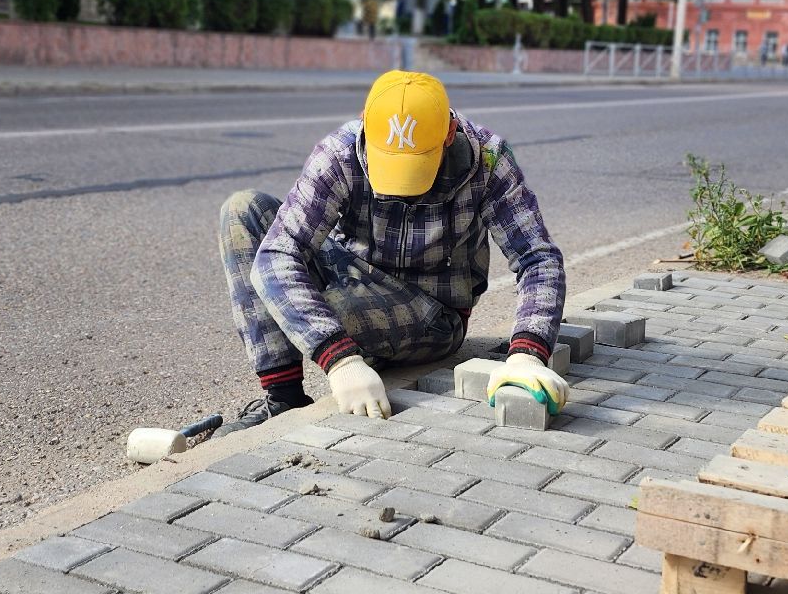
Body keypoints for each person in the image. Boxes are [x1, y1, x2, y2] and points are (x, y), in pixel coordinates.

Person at [214, 70, 568, 432]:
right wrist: (340, 363)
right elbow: (277, 253)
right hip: (354, 277)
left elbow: (537, 258)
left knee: (331, 304)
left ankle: (354, 348)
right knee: (243, 211)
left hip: (433, 314)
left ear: (448, 133)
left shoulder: (489, 161)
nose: (403, 189)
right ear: (366, 124)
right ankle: (284, 399)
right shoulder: (341, 152)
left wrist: (527, 354)